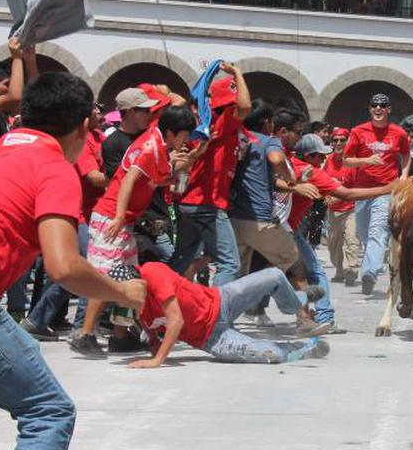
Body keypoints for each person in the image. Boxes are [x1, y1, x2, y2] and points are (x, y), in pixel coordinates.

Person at [0, 72, 147, 450]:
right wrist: (123, 291)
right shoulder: (54, 167)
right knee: (48, 411)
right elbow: (63, 267)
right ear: (84, 126)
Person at [69, 105, 197, 357]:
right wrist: (118, 216)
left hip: (124, 220)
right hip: (111, 218)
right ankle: (85, 334)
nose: (186, 140)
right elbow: (127, 180)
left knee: (128, 277)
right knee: (106, 275)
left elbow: (150, 181)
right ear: (171, 132)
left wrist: (172, 178)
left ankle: (120, 336)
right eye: (184, 135)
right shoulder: (150, 147)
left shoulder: (159, 146)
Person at [113, 262, 327, 367]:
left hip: (220, 300)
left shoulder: (151, 272)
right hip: (211, 338)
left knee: (274, 275)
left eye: (127, 292)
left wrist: (157, 361)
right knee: (272, 355)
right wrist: (152, 349)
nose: (127, 299)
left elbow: (176, 320)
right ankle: (306, 347)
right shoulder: (138, 311)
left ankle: (299, 308)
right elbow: (153, 338)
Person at [228, 100, 325, 331]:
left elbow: (267, 180)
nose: (299, 138)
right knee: (294, 262)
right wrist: (292, 181)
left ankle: (221, 319)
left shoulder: (240, 139)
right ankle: (299, 314)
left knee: (236, 274)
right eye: (298, 133)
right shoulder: (269, 141)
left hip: (234, 217)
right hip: (259, 219)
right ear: (270, 125)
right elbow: (276, 160)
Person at [291, 133, 394, 330]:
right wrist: (386, 189)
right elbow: (347, 193)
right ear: (309, 156)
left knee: (291, 273)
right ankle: (324, 318)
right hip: (288, 230)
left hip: (278, 227)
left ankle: (303, 316)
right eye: (320, 155)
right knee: (315, 272)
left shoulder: (288, 165)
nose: (324, 158)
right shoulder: (311, 172)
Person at [22, 104, 107, 340]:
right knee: (86, 268)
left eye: (100, 109)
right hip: (78, 215)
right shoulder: (81, 141)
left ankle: (41, 321)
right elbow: (93, 177)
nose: (99, 113)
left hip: (94, 216)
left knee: (78, 270)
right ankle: (77, 327)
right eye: (93, 109)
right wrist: (129, 174)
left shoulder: (99, 137)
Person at [170, 63, 251, 287]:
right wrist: (237, 72)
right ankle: (216, 308)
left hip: (191, 203)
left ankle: (157, 299)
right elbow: (245, 106)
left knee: (181, 259)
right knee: (230, 264)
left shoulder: (208, 122)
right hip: (208, 205)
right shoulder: (224, 119)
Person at [343, 93, 411, 294]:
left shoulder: (398, 133)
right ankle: (374, 261)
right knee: (363, 234)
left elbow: (405, 154)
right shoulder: (358, 131)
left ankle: (370, 273)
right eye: (374, 105)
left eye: (382, 105)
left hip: (386, 190)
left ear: (388, 109)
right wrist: (366, 160)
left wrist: (404, 175)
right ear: (370, 109)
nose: (378, 108)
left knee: (377, 232)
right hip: (362, 190)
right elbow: (346, 160)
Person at [323, 127, 361, 286]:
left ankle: (351, 269)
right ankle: (339, 271)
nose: (338, 143)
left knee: (352, 239)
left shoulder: (353, 162)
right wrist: (326, 197)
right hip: (333, 210)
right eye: (335, 140)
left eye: (342, 140)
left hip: (351, 208)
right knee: (333, 245)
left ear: (348, 142)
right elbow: (323, 182)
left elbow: (358, 186)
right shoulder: (329, 161)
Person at [101, 87, 156, 177]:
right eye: (146, 110)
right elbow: (120, 179)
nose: (150, 115)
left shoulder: (150, 135)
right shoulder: (112, 143)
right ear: (130, 112)